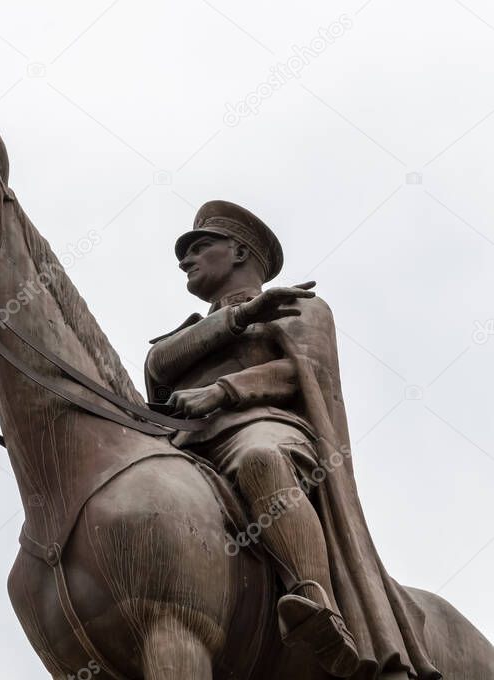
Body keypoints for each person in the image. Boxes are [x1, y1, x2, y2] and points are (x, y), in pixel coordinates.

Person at [145, 200, 440, 679]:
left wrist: (223, 391)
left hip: (267, 429)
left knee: (260, 458)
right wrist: (237, 319)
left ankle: (315, 602)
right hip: (186, 443)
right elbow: (158, 366)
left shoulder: (300, 306)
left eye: (200, 247)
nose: (185, 259)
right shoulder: (189, 333)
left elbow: (307, 374)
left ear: (238, 252)